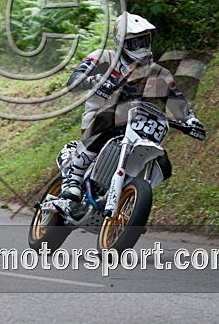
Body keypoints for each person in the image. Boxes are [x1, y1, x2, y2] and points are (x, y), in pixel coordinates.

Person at [58, 12, 205, 203]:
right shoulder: (104, 58)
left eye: (144, 40)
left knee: (163, 159)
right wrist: (94, 79)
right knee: (109, 116)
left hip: (136, 121)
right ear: (122, 43)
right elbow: (73, 82)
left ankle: (131, 194)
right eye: (136, 43)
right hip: (99, 117)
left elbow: (175, 99)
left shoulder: (158, 73)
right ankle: (74, 178)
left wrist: (190, 120)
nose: (142, 46)